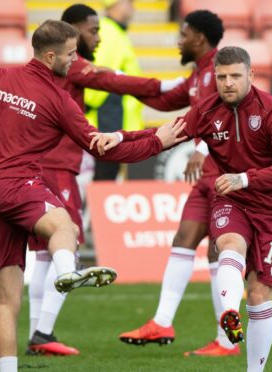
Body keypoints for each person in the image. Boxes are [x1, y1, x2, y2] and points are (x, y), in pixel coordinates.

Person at [0, 20, 187, 372]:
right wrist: (158, 141)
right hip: (19, 186)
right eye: (70, 54)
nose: (74, 60)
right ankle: (68, 271)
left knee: (6, 302)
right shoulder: (57, 100)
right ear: (50, 56)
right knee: (66, 226)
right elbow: (101, 148)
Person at [95, 46, 272, 372]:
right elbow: (158, 138)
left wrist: (244, 178)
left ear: (251, 75)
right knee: (229, 244)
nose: (228, 83)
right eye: (221, 77)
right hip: (230, 198)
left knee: (260, 295)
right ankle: (229, 312)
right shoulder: (206, 110)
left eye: (235, 76)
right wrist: (119, 137)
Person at [26, 3, 181, 356]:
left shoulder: (42, 67)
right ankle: (42, 333)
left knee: (44, 255)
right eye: (93, 30)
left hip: (42, 163)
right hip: (57, 166)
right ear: (73, 30)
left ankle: (39, 334)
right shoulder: (72, 63)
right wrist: (168, 84)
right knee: (66, 242)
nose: (98, 37)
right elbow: (112, 79)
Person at [119, 10, 241, 357]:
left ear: (199, 37)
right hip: (207, 178)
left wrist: (201, 147)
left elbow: (232, 112)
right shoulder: (199, 74)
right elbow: (160, 98)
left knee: (220, 249)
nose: (178, 40)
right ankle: (161, 321)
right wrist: (108, 80)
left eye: (183, 33)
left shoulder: (222, 70)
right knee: (184, 238)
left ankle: (226, 341)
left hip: (225, 176)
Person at [84, 0, 144, 181]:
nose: (133, 7)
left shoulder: (114, 32)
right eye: (129, 2)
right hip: (107, 124)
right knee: (102, 182)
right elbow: (97, 76)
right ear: (116, 4)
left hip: (111, 123)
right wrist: (86, 106)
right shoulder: (111, 33)